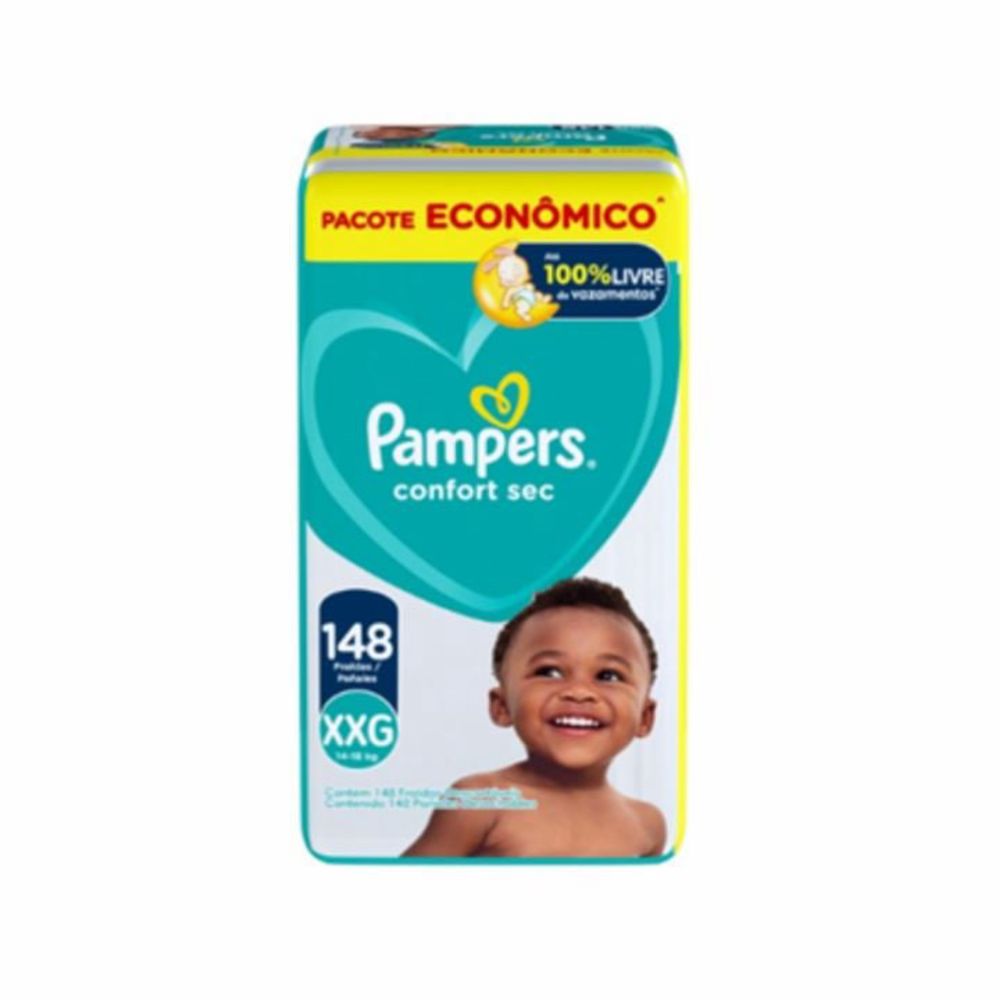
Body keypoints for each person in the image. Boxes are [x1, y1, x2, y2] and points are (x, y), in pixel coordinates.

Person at [403, 577, 667, 857]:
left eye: (608, 675)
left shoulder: (647, 824)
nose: (579, 692)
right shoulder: (480, 802)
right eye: (549, 672)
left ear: (645, 717)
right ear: (502, 706)